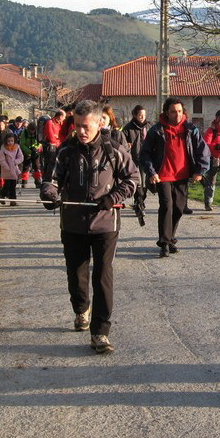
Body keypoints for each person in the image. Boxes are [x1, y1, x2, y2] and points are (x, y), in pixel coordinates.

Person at [39, 100, 139, 354]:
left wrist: (113, 197)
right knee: (77, 274)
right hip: (73, 223)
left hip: (106, 223)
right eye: (77, 126)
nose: (81, 131)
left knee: (103, 274)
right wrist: (50, 196)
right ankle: (81, 309)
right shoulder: (65, 151)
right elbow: (50, 182)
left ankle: (101, 333)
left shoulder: (114, 150)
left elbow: (132, 179)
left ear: (98, 124)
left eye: (86, 126)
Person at [139, 97, 210, 258]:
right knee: (166, 206)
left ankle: (170, 238)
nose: (176, 114)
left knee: (179, 208)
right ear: (166, 112)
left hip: (183, 175)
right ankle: (164, 243)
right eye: (173, 112)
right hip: (162, 176)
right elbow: (145, 153)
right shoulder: (156, 130)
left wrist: (200, 171)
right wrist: (151, 172)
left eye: (179, 111)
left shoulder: (191, 129)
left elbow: (203, 151)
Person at [122, 105, 152, 223]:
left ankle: (140, 201)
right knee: (138, 184)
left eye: (144, 115)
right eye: (140, 115)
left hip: (147, 160)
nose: (142, 117)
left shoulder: (149, 127)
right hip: (134, 160)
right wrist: (127, 146)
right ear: (135, 115)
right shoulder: (128, 128)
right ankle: (140, 205)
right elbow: (122, 143)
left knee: (145, 185)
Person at [0, 132, 24, 206]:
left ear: (14, 141)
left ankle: (13, 200)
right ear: (6, 141)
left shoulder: (17, 148)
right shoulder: (3, 149)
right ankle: (2, 195)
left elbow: (21, 157)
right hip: (6, 170)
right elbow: (1, 159)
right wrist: (7, 167)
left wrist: (15, 162)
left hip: (14, 168)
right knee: (7, 184)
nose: (10, 143)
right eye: (8, 141)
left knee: (13, 185)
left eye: (12, 141)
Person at [42, 109, 66, 183]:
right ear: (60, 116)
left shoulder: (61, 123)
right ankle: (46, 180)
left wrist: (58, 139)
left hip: (59, 145)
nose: (64, 119)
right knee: (49, 163)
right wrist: (58, 140)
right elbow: (51, 136)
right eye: (64, 117)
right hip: (51, 146)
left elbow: (63, 135)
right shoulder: (50, 122)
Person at [19, 121, 42, 188]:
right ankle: (24, 181)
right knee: (26, 167)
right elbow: (22, 144)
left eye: (33, 130)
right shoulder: (25, 133)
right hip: (27, 151)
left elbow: (40, 142)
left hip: (35, 151)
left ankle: (38, 181)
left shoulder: (37, 133)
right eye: (31, 130)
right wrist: (28, 151)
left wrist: (36, 148)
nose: (32, 132)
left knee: (36, 167)